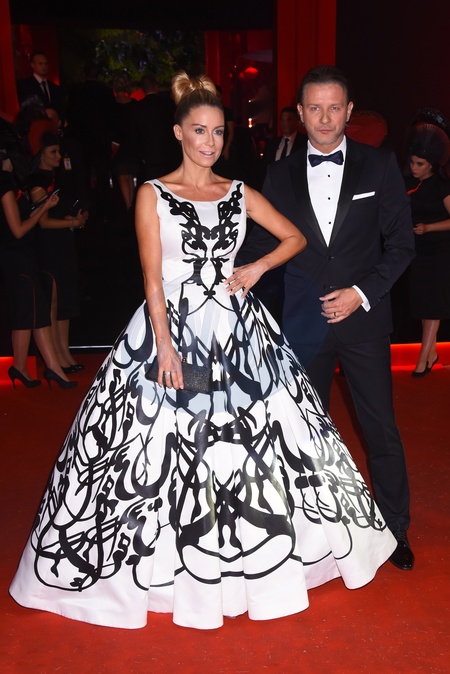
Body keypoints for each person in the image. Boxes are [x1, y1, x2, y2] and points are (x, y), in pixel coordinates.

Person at [9, 72, 396, 631]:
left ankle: (246, 561)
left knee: (253, 443)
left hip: (239, 332)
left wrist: (257, 267)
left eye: (217, 132)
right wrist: (165, 348)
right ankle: (170, 567)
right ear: (178, 132)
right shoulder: (152, 193)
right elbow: (151, 279)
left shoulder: (239, 192)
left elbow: (294, 237)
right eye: (199, 130)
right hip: (173, 331)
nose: (209, 142)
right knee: (166, 445)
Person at [251, 65, 415, 571]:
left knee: (380, 429)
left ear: (349, 112)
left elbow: (401, 245)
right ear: (300, 115)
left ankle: (395, 529)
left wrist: (361, 294)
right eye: (315, 108)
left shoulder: (379, 165)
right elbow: (258, 245)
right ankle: (311, 532)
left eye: (334, 108)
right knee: (302, 433)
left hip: (364, 320)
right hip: (303, 322)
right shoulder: (277, 175)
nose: (325, 118)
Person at [0, 134, 76, 389]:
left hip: (19, 256)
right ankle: (53, 368)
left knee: (28, 314)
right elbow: (18, 230)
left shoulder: (9, 183)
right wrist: (44, 207)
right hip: (17, 256)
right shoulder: (5, 185)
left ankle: (21, 367)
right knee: (35, 313)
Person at [27, 130, 88, 375]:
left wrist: (75, 218)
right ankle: (56, 358)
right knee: (53, 304)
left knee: (65, 303)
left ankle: (64, 353)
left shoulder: (57, 178)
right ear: (40, 154)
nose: (58, 156)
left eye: (58, 151)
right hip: (49, 247)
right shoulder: (37, 183)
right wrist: (73, 222)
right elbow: (43, 223)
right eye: (53, 152)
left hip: (63, 244)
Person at [404, 123, 450, 376]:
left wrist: (429, 227)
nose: (414, 167)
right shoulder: (412, 185)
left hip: (440, 252)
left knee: (433, 304)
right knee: (424, 303)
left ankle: (423, 359)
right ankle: (431, 354)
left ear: (431, 164)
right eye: (412, 162)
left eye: (419, 164)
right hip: (419, 251)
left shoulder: (442, 186)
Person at [110, 72, 139, 211]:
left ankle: (128, 206)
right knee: (129, 176)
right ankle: (131, 205)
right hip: (132, 143)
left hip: (118, 145)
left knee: (122, 175)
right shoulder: (134, 105)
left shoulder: (112, 106)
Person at [17, 52, 65, 122]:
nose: (44, 66)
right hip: (35, 124)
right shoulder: (24, 85)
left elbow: (60, 108)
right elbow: (26, 109)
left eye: (46, 64)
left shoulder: (54, 88)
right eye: (40, 64)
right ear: (32, 65)